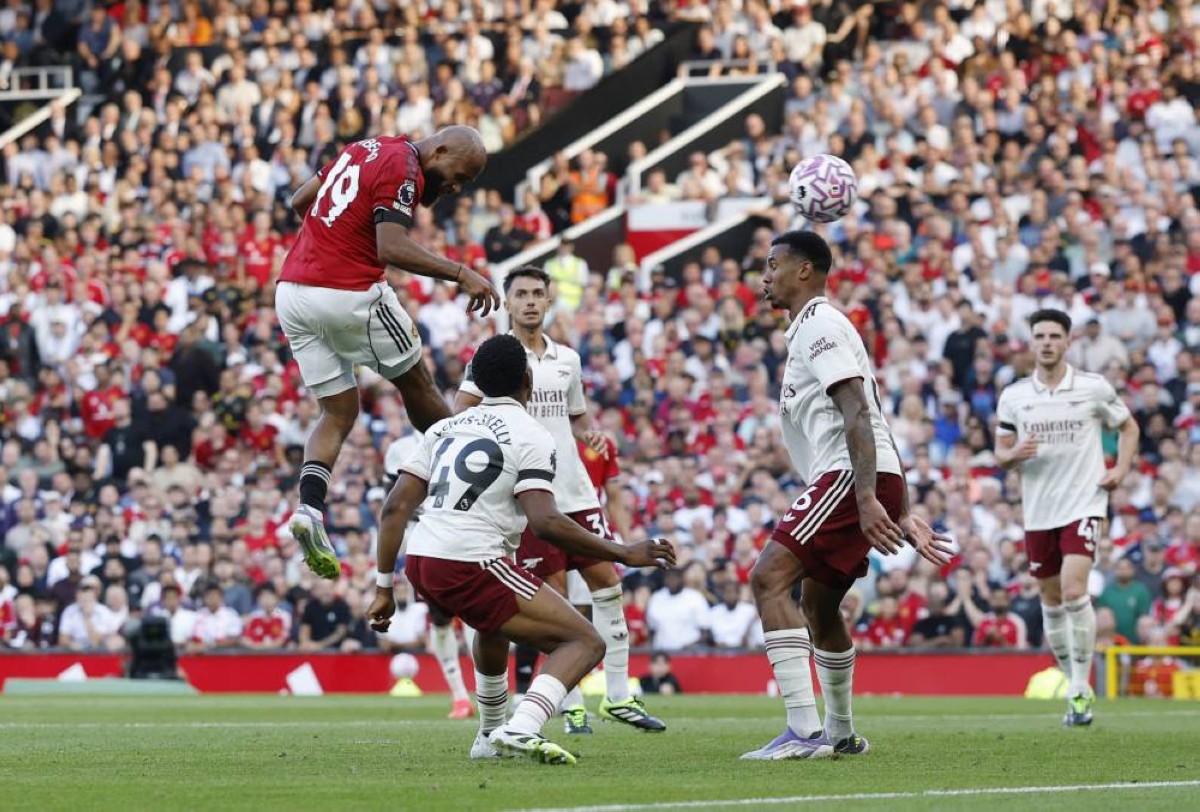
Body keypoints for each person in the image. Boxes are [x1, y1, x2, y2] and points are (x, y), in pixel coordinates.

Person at [368, 335, 674, 765]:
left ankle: (488, 736)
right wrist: (622, 553)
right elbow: (545, 521)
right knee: (584, 641)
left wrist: (384, 587)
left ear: (476, 382)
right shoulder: (531, 433)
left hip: (422, 559)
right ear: (528, 379)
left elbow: (395, 507)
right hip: (471, 558)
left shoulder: (444, 428)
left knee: (491, 627)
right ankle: (523, 726)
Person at [744, 231, 952, 761]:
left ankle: (803, 730)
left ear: (804, 270)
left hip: (847, 475)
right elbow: (875, 414)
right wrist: (901, 506)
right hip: (865, 474)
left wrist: (866, 498)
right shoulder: (812, 329)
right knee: (818, 605)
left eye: (773, 265)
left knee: (768, 578)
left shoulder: (818, 323)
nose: (765, 277)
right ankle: (840, 734)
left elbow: (857, 409)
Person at [276, 125, 500, 580]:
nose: (455, 188)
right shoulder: (405, 165)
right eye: (458, 176)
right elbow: (391, 246)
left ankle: (309, 509)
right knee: (417, 382)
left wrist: (333, 240)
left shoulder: (365, 148)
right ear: (439, 150)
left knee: (338, 410)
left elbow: (301, 201)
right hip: (346, 292)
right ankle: (471, 482)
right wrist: (461, 273)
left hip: (293, 292)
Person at [455, 266, 665, 733]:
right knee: (559, 603)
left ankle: (617, 696)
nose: (530, 301)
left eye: (538, 294)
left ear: (549, 302)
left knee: (609, 585)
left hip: (576, 489)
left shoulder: (567, 358)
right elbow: (459, 411)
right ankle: (571, 707)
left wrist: (591, 434)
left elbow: (577, 417)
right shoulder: (494, 359)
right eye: (521, 294)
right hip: (531, 499)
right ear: (508, 303)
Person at [994, 308, 1139, 727]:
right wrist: (1013, 454)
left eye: (1054, 336)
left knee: (1075, 590)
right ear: (1031, 342)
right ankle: (1072, 678)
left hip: (1084, 502)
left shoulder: (1092, 388)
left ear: (1067, 341)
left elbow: (1128, 427)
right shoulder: (1015, 396)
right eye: (1040, 336)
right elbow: (1001, 453)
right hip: (1039, 509)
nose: (1047, 343)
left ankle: (1078, 687)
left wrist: (1120, 469)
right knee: (1051, 600)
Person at [383, 435, 476, 720]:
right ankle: (460, 696)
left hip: (467, 530)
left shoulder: (466, 435)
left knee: (477, 612)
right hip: (423, 535)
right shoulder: (400, 448)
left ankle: (486, 692)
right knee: (440, 616)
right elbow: (393, 503)